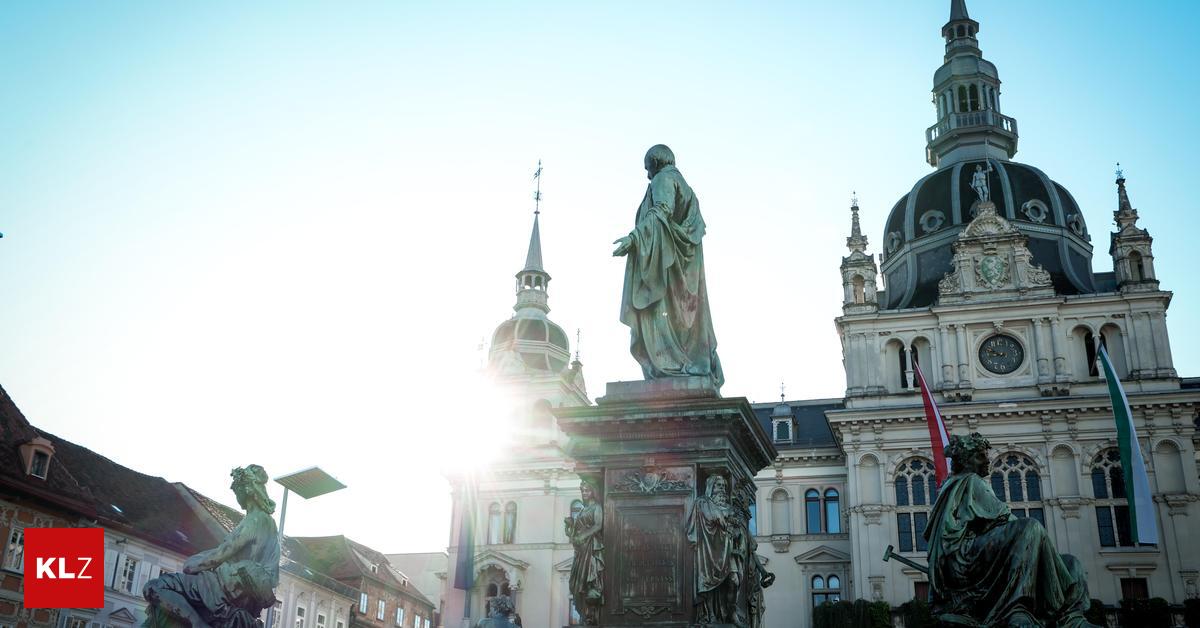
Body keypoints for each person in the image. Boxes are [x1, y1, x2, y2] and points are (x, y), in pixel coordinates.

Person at [925, 433, 1099, 627]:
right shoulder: (970, 480)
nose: (987, 460)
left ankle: (1072, 619)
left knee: (1071, 563)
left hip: (981, 553)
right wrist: (1035, 545)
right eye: (980, 456)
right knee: (1030, 527)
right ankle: (1017, 608)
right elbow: (1006, 519)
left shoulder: (963, 482)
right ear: (966, 461)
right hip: (965, 557)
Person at [613, 145, 724, 388]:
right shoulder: (687, 188)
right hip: (684, 271)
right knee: (683, 321)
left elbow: (660, 212)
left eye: (647, 168)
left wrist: (633, 239)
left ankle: (670, 366)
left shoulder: (663, 180)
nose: (647, 175)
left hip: (665, 268)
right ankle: (685, 363)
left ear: (656, 162)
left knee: (658, 317)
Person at [143, 465, 279, 628]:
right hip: (233, 588)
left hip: (221, 586)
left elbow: (221, 554)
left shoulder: (255, 520)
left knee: (154, 586)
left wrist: (192, 563)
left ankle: (197, 624)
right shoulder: (266, 522)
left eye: (237, 491)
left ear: (247, 489)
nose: (237, 496)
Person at [687, 475, 736, 623]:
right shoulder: (703, 502)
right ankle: (710, 616)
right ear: (711, 487)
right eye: (718, 485)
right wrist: (723, 516)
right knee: (707, 582)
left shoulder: (728, 507)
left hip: (726, 549)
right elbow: (711, 518)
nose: (722, 489)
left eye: (723, 486)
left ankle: (731, 613)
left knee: (734, 580)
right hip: (708, 549)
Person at [565, 480, 604, 625]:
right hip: (580, 550)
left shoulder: (596, 507)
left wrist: (584, 535)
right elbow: (574, 534)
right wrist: (569, 528)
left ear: (593, 491)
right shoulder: (581, 510)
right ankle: (584, 614)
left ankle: (590, 611)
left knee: (588, 578)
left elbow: (598, 525)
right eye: (583, 491)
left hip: (591, 547)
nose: (584, 493)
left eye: (587, 490)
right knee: (574, 583)